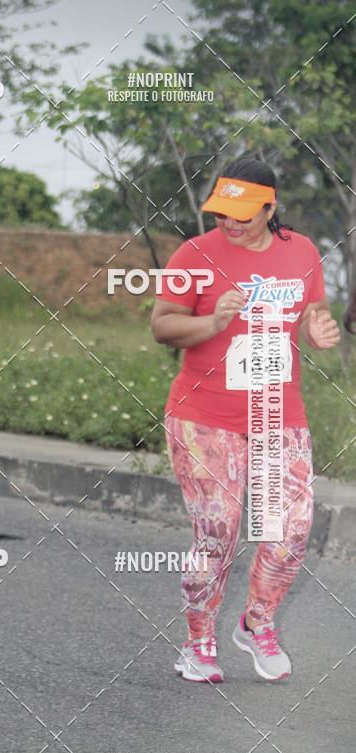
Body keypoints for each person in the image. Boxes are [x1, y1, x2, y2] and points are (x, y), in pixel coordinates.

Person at [151, 157, 340, 683]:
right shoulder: (195, 253)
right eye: (221, 212)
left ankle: (256, 623)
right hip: (205, 416)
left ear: (270, 207)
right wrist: (212, 320)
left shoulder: (300, 251)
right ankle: (198, 642)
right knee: (218, 533)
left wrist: (319, 330)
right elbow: (163, 326)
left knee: (292, 530)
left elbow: (311, 313)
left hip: (279, 413)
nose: (229, 224)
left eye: (242, 214)